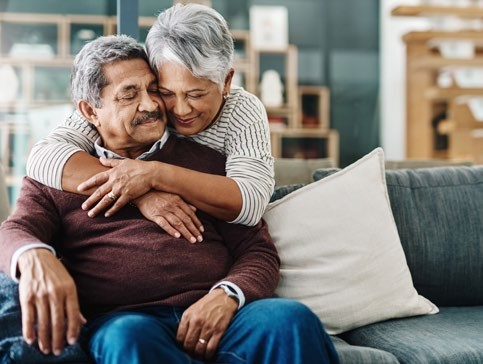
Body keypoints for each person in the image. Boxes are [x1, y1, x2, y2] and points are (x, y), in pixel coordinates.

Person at [0, 35, 339, 364]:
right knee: (129, 338)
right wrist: (33, 257)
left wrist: (227, 295)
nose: (150, 105)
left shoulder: (206, 163)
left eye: (152, 89)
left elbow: (258, 250)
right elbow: (13, 231)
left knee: (289, 319)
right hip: (127, 321)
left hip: (220, 318)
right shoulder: (58, 175)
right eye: (128, 95)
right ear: (90, 111)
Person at [26, 3, 274, 244]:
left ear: (227, 81)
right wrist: (142, 193)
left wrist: (155, 174)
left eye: (195, 94)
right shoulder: (140, 106)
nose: (180, 109)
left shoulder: (242, 110)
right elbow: (43, 158)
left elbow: (251, 203)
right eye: (165, 92)